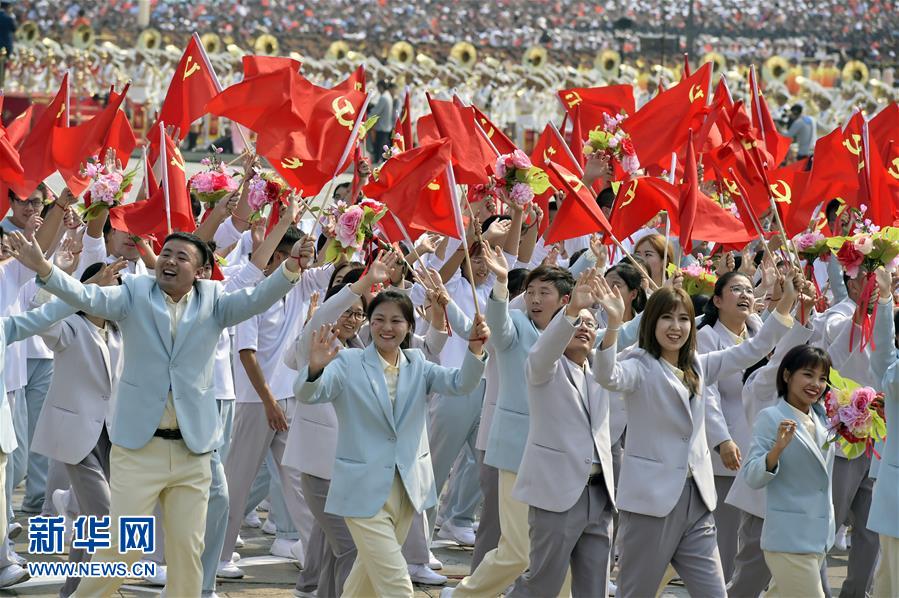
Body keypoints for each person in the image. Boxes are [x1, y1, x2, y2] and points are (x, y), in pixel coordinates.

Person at [7, 229, 309, 597]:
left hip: (192, 452)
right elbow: (85, 296)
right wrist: (43, 266)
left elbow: (258, 298)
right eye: (166, 253)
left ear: (200, 271)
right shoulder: (134, 293)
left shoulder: (215, 300)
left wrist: (291, 268)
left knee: (186, 553)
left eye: (182, 257)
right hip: (139, 450)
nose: (169, 261)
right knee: (122, 550)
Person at [593, 270, 800, 598]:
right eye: (666, 318)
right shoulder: (638, 363)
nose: (676, 327)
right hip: (651, 502)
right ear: (651, 324)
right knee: (635, 592)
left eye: (683, 319)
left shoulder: (699, 365)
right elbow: (607, 375)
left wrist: (786, 302)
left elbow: (753, 349)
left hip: (698, 501)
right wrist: (615, 325)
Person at [296, 291, 489, 597]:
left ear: (410, 325)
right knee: (397, 584)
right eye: (379, 320)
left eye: (396, 320)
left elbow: (460, 383)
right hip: (361, 490)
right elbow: (310, 394)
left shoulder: (418, 363)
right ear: (368, 325)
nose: (387, 327)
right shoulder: (348, 361)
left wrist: (476, 352)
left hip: (407, 489)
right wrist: (315, 368)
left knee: (364, 582)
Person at [507, 269, 616, 597]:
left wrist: (614, 321)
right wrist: (571, 311)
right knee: (542, 583)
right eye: (576, 323)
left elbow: (616, 356)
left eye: (590, 324)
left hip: (598, 495)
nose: (584, 328)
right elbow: (544, 352)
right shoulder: (543, 369)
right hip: (557, 494)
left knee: (594, 588)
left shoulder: (602, 372)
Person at [29, 261, 125, 597]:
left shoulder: (119, 332)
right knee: (105, 515)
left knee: (91, 521)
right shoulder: (68, 327)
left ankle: (72, 591)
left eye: (116, 283)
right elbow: (39, 310)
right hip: (75, 435)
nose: (113, 289)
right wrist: (76, 282)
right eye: (106, 283)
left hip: (112, 435)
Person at [743, 345, 836, 598]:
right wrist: (777, 450)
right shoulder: (771, 417)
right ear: (787, 375)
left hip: (819, 537)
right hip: (788, 538)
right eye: (807, 374)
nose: (816, 384)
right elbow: (751, 475)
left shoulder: (825, 419)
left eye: (822, 378)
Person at [697, 270, 762, 582]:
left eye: (749, 289)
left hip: (762, 448)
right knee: (725, 534)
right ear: (718, 300)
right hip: (728, 451)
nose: (745, 295)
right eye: (736, 289)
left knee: (754, 536)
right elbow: (706, 395)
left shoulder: (759, 333)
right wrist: (721, 439)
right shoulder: (706, 338)